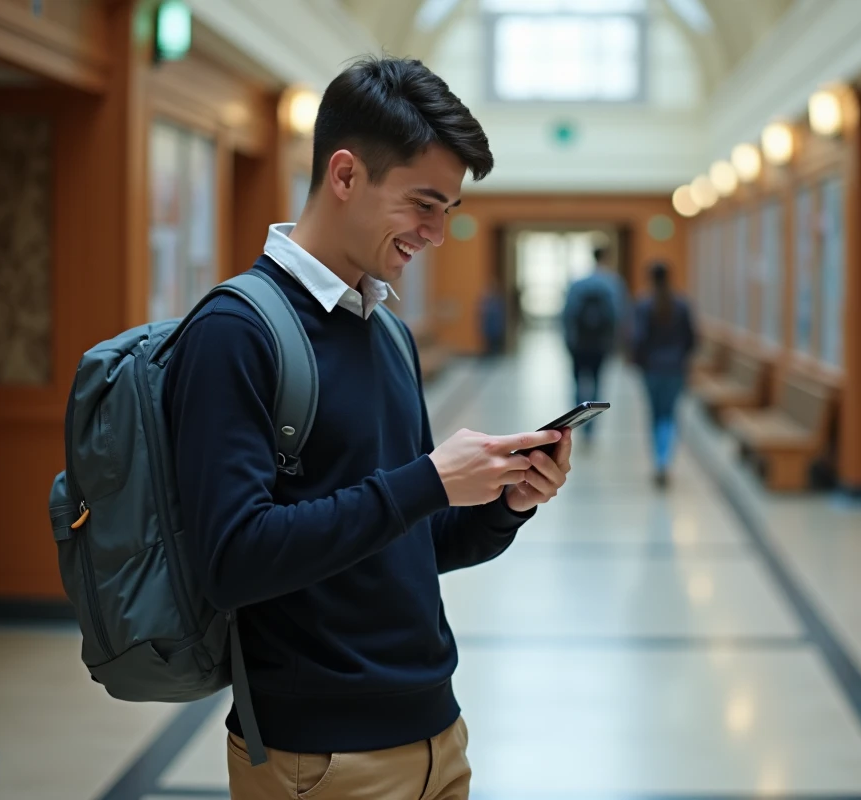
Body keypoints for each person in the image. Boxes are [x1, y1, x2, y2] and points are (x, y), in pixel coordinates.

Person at [163, 55, 573, 800]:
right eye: (424, 204)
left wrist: (507, 506)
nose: (438, 233)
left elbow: (404, 543)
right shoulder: (236, 332)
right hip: (317, 759)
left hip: (437, 734)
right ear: (345, 176)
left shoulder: (387, 333)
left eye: (448, 210)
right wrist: (426, 481)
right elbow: (233, 560)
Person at [630, 261, 696, 488]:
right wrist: (680, 357)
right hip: (675, 368)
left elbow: (638, 339)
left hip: (652, 369)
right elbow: (691, 339)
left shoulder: (644, 304)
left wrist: (639, 362)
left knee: (655, 414)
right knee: (669, 414)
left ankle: (658, 460)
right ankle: (664, 460)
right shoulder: (681, 304)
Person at [561, 246, 626, 443]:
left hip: (578, 343)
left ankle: (577, 422)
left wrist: (568, 341)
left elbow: (567, 314)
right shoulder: (613, 283)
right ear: (606, 257)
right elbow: (618, 316)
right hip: (600, 344)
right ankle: (591, 428)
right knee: (597, 383)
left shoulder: (578, 283)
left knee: (578, 382)